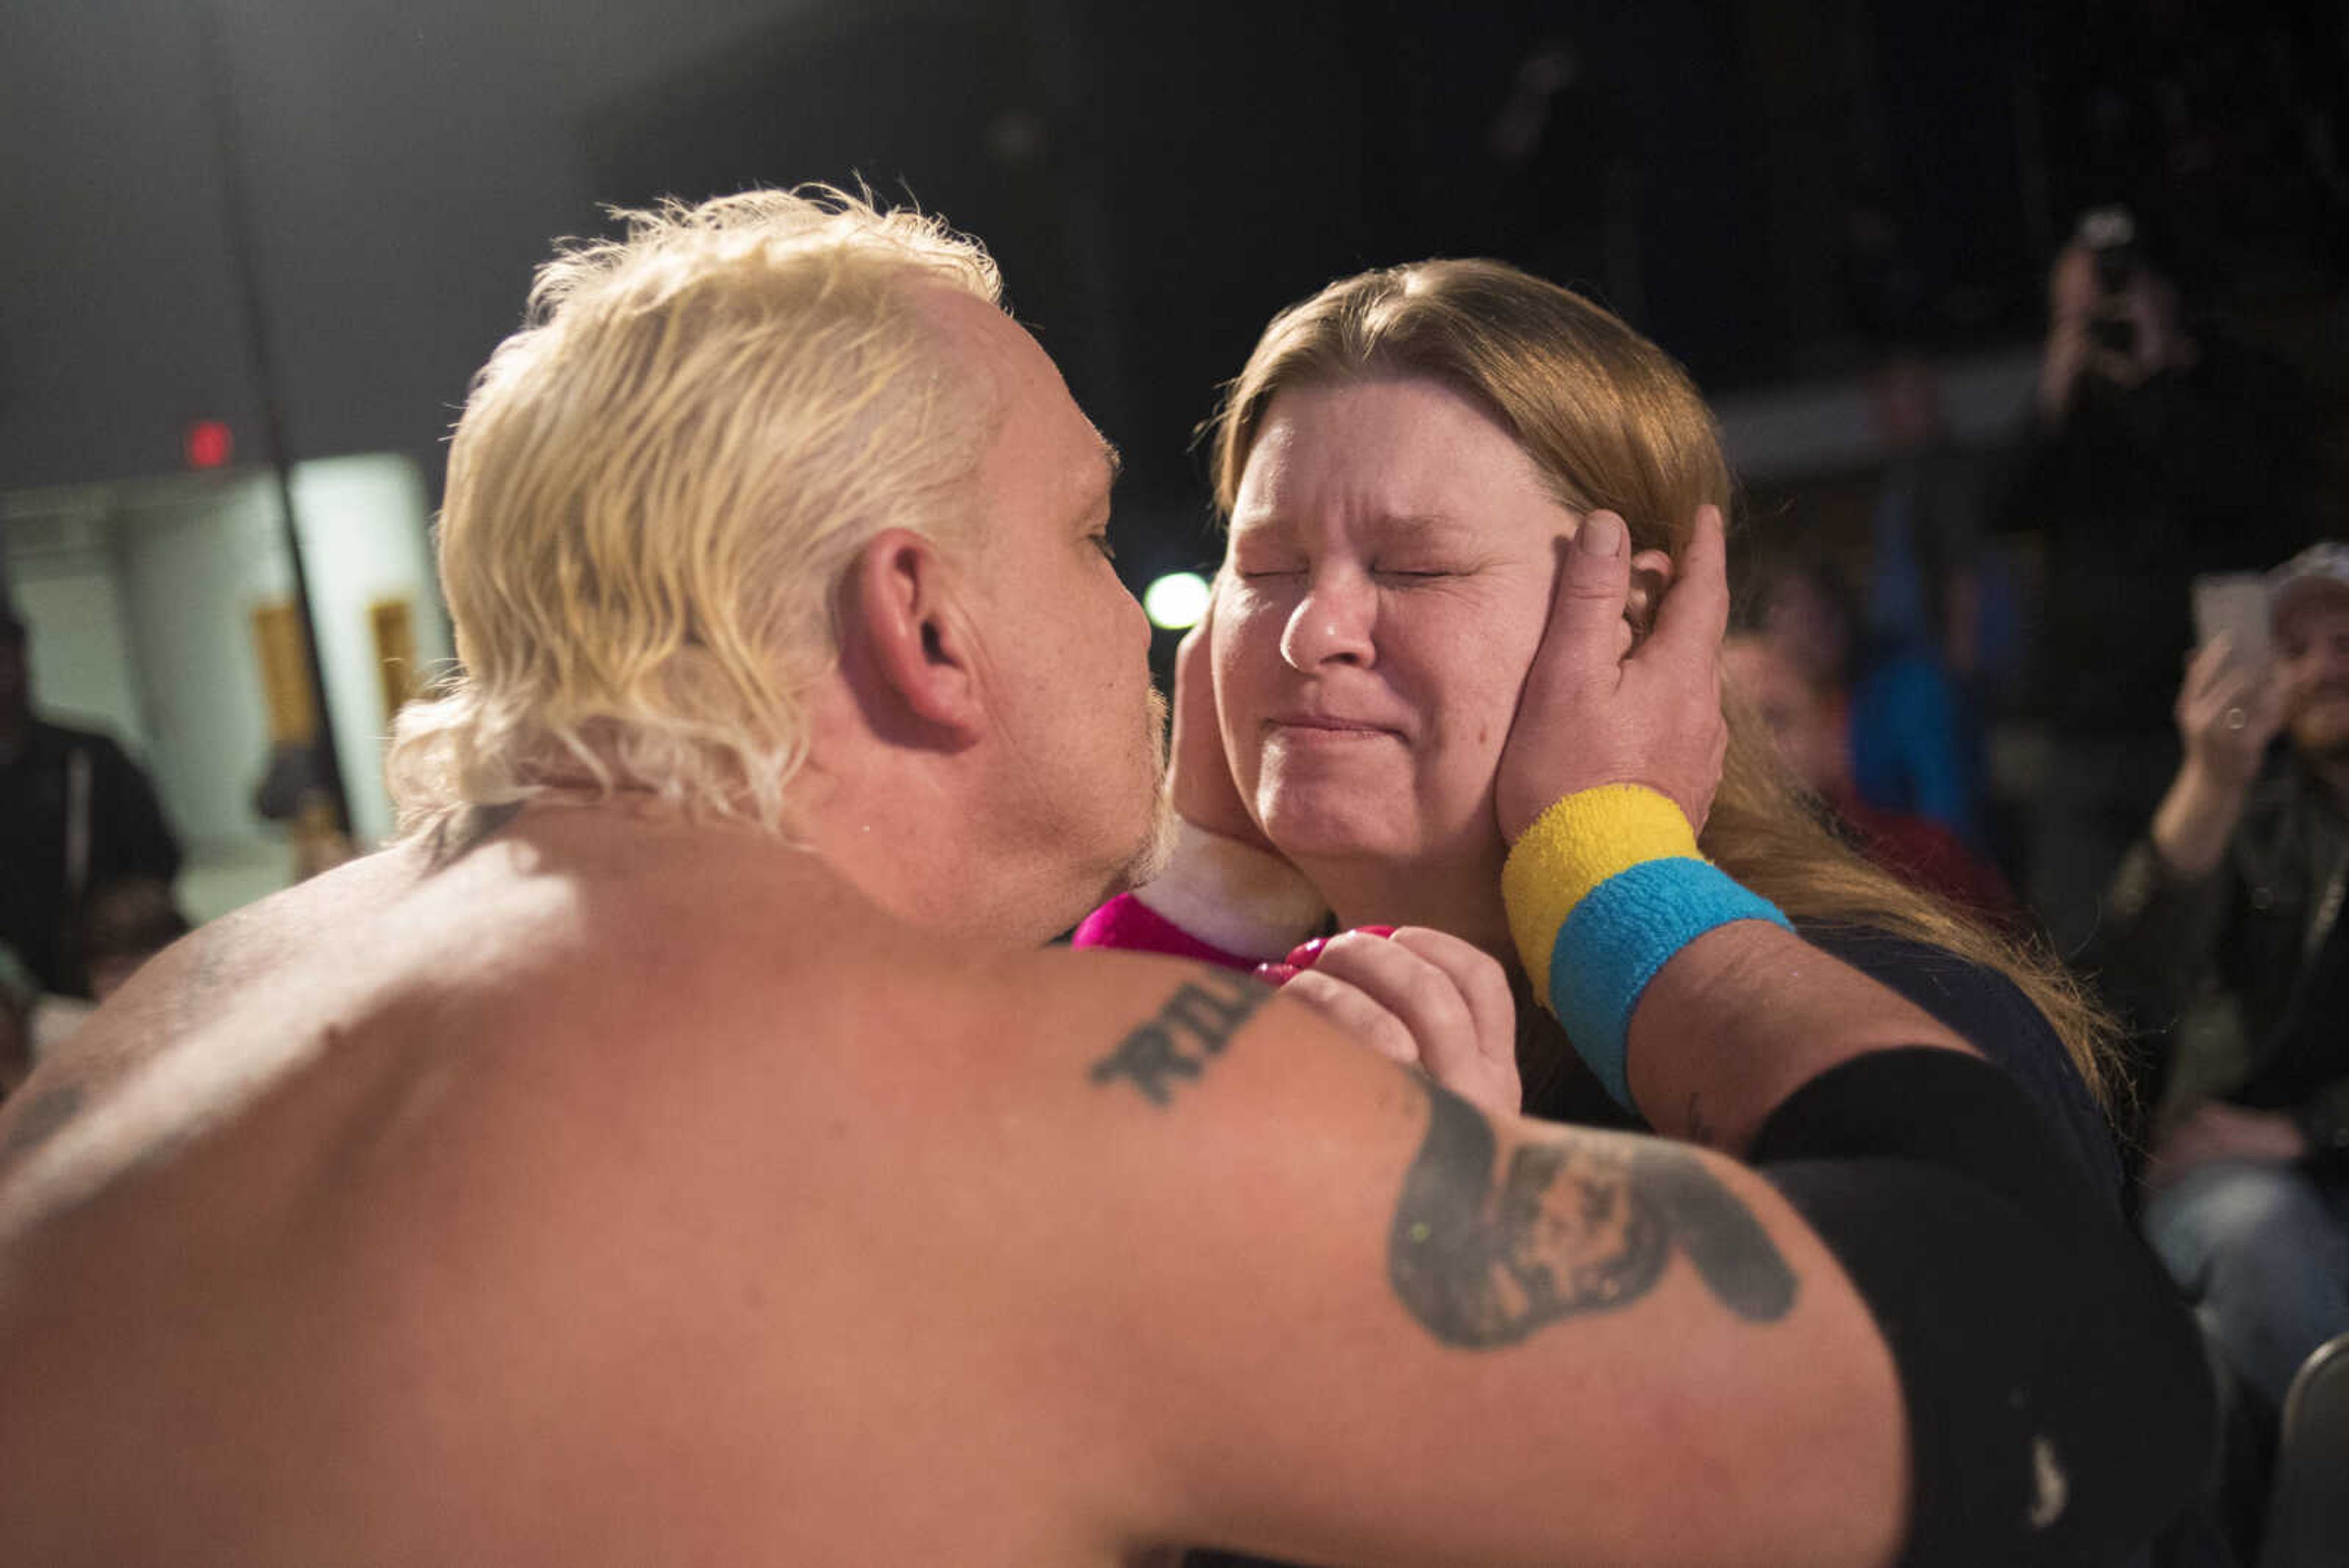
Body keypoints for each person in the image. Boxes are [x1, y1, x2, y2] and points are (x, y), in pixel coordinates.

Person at [0, 190, 2208, 1567]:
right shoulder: (1050, 1094)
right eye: (1116, 541)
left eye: (1416, 564)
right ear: (924, 624)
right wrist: (1607, 878)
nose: (1242, 629)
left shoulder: (156, 1042)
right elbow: (2052, 1380)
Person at [1083, 258, 2115, 1192]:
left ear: (1625, 619)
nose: (1314, 630)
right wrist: (1197, 893)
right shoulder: (1253, 997)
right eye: (1266, 568)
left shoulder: (1898, 1007)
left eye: (1415, 566)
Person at [1995, 210, 2317, 953]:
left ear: (2164, 292)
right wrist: (2057, 388)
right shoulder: (2070, 409)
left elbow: (2252, 495)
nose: (2097, 321)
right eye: (2077, 309)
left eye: (2110, 298)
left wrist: (2153, 379)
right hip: (2085, 737)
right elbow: (2001, 506)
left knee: (2231, 945)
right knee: (2094, 956)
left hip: (2211, 724)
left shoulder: (2229, 385)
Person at [2093, 543, 2349, 1418]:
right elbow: (2122, 982)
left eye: (2345, 640)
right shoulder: (2248, 821)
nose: (2321, 666)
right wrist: (2212, 775)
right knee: (2255, 1235)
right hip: (2235, 1184)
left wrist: (2304, 1132)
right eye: (2294, 648)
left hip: (2289, 1152)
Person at [1721, 630, 2014, 921]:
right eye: (1725, 724)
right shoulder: (1691, 888)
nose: (1750, 749)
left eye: (1773, 719)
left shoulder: (1926, 862)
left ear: (1833, 724)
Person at [0, 603, 182, 998]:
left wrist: (127, 914)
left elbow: (158, 857)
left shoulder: (89, 757)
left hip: (110, 971)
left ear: (21, 660)